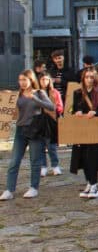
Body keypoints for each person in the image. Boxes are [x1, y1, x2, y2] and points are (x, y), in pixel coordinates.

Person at [1, 70, 55, 200]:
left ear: (31, 80)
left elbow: (51, 106)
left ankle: (33, 187)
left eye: (25, 80)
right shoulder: (17, 94)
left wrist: (35, 99)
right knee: (14, 160)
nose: (22, 83)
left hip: (35, 130)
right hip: (20, 130)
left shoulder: (39, 93)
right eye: (20, 80)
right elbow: (10, 111)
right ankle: (9, 189)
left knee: (35, 160)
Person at [69, 69, 98, 199]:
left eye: (92, 77)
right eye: (87, 77)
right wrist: (78, 112)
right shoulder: (77, 93)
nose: (89, 80)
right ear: (83, 79)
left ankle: (94, 184)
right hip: (82, 130)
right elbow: (73, 109)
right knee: (83, 158)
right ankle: (89, 182)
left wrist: (96, 113)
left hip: (95, 130)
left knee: (93, 157)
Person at [38, 72, 63, 177]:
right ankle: (43, 167)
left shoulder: (54, 92)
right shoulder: (36, 93)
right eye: (42, 79)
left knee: (51, 145)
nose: (45, 82)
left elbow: (60, 106)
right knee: (40, 146)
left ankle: (55, 165)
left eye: (46, 79)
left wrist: (56, 109)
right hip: (38, 121)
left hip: (51, 122)